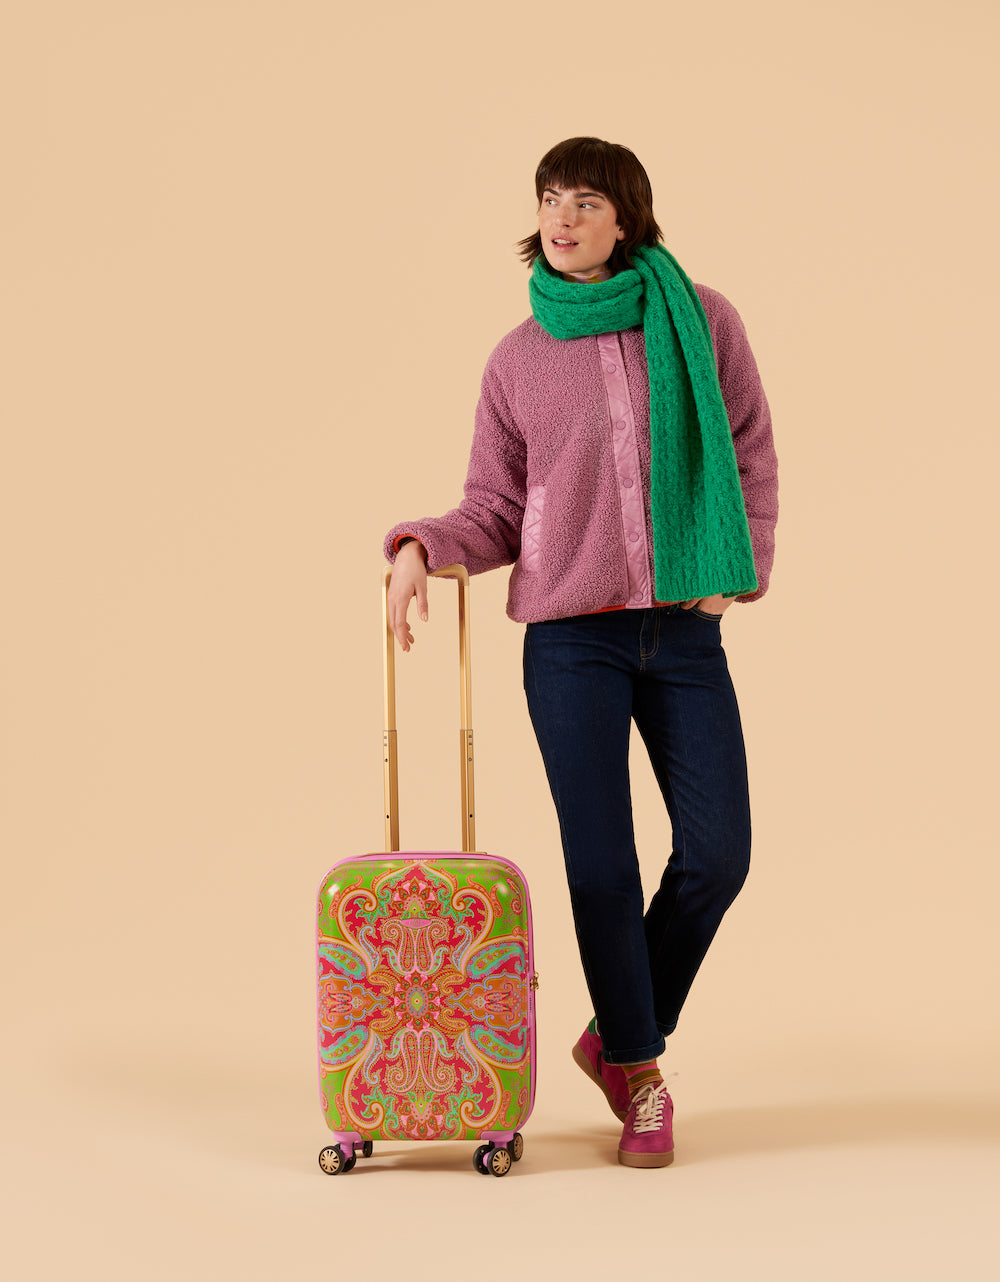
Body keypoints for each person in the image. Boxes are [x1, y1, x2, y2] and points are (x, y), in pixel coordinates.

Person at [383, 137, 778, 1169]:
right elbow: (495, 507)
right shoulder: (516, 359)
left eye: (587, 203)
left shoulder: (703, 319)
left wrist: (736, 569)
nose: (562, 219)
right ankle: (640, 1071)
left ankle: (611, 1033)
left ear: (627, 217)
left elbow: (748, 449)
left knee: (718, 854)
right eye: (551, 199)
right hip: (570, 640)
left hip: (684, 632)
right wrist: (422, 545)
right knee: (601, 865)